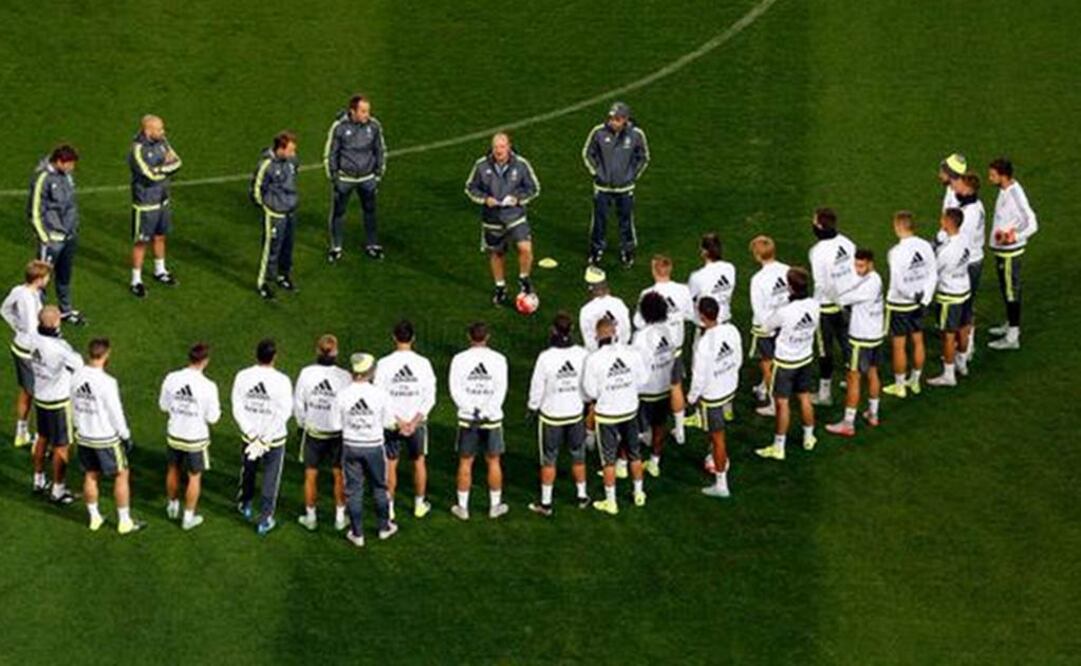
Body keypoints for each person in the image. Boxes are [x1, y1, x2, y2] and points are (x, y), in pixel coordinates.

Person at [71, 338, 143, 534]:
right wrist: (125, 435)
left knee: (90, 475)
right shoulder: (107, 382)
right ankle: (124, 521)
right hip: (105, 437)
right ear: (106, 355)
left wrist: (78, 426)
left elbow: (72, 402)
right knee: (122, 474)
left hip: (84, 434)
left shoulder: (76, 376)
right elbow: (115, 411)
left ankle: (94, 517)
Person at [465, 132, 540, 306]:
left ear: (509, 147)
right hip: (492, 218)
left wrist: (518, 198)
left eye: (502, 147)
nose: (499, 151)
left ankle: (524, 279)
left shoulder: (521, 165)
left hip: (515, 215)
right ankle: (500, 287)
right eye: (496, 147)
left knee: (525, 248)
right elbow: (470, 188)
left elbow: (533, 188)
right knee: (497, 253)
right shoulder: (481, 166)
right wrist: (485, 199)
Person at [526, 312, 591, 516]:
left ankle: (546, 503)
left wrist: (532, 406)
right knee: (578, 456)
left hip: (551, 416)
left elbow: (537, 386)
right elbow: (587, 384)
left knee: (549, 459)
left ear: (553, 331)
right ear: (571, 330)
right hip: (575, 413)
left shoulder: (546, 357)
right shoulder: (582, 354)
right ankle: (582, 496)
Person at [583, 318, 649, 514]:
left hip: (607, 415)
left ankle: (611, 502)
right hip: (629, 410)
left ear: (597, 336)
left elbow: (590, 391)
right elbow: (643, 380)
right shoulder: (631, 353)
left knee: (608, 460)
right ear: (616, 333)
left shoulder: (594, 359)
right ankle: (639, 494)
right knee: (635, 454)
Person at [334, 353, 398, 547]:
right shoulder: (380, 394)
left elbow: (335, 424)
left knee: (354, 491)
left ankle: (357, 534)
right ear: (370, 372)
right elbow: (388, 423)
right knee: (380, 487)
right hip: (374, 447)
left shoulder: (342, 394)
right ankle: (384, 528)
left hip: (351, 446)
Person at [755, 268, 819, 461]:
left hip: (784, 363)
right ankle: (809, 438)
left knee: (782, 404)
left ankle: (779, 446)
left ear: (790, 288)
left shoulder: (785, 311)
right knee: (805, 398)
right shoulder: (815, 304)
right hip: (805, 357)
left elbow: (765, 327)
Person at [375, 320, 437, 520]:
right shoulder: (423, 363)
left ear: (394, 337)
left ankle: (390, 507)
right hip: (416, 423)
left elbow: (379, 396)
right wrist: (414, 422)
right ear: (413, 338)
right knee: (419, 461)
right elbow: (430, 396)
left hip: (391, 423)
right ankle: (419, 505)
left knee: (390, 464)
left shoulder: (384, 364)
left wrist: (399, 422)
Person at [448, 322, 509, 520]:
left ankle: (463, 507)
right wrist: (486, 412)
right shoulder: (499, 359)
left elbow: (454, 389)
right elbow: (500, 390)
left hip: (468, 419)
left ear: (469, 336)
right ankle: (495, 505)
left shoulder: (459, 359)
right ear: (487, 336)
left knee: (466, 462)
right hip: (492, 419)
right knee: (494, 461)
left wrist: (472, 411)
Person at [233, 338, 294, 534]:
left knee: (248, 471)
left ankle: (245, 504)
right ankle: (265, 519)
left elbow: (237, 407)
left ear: (256, 355)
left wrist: (252, 434)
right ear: (274, 357)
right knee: (270, 477)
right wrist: (265, 438)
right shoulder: (282, 380)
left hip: (250, 438)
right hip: (273, 440)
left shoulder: (243, 376)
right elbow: (284, 413)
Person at [633, 255, 694, 443]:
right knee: (676, 387)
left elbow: (638, 322)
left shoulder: (648, 293)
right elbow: (690, 315)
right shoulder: (683, 290)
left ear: (654, 270)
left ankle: (647, 433)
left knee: (649, 393)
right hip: (675, 348)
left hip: (654, 350)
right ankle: (680, 430)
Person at [160, 342, 221, 531]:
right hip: (195, 437)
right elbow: (213, 418)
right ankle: (188, 517)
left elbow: (163, 405)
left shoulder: (172, 378)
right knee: (194, 476)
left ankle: (172, 505)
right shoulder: (208, 386)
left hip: (175, 433)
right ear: (205, 361)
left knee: (173, 468)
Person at [294, 335, 351, 532]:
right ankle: (339, 518)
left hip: (314, 432)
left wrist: (304, 422)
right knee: (339, 475)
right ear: (335, 352)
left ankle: (311, 518)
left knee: (310, 474)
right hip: (337, 433)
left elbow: (299, 403)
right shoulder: (345, 376)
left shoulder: (306, 373)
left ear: (318, 351)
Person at [582, 101, 650, 267]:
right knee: (599, 220)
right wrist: (596, 173)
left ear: (625, 119)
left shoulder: (636, 135)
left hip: (625, 188)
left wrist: (632, 176)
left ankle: (627, 250)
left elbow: (643, 157)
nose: (613, 121)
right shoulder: (598, 132)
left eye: (617, 119)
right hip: (602, 187)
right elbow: (587, 153)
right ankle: (596, 250)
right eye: (611, 118)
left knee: (626, 220)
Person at [687, 296, 742, 497]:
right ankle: (714, 457)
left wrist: (692, 398)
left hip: (712, 395)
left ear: (701, 316)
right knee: (715, 435)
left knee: (718, 437)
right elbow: (738, 357)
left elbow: (699, 376)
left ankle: (721, 484)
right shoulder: (732, 330)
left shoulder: (703, 344)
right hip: (729, 387)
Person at [26, 305, 83, 500]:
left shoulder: (33, 338)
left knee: (42, 437)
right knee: (61, 446)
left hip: (40, 397)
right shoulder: (60, 348)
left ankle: (38, 479)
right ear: (55, 323)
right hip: (58, 402)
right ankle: (58, 490)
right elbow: (79, 365)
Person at [826, 250, 884, 436]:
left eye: (861, 266)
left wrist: (829, 289)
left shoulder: (867, 286)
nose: (857, 269)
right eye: (856, 265)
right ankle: (873, 414)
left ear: (870, 264)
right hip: (876, 334)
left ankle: (848, 423)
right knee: (873, 373)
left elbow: (842, 299)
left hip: (861, 338)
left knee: (853, 378)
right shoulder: (875, 278)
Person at [323, 94, 388, 262]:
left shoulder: (374, 126)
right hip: (345, 179)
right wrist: (334, 176)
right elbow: (331, 153)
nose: (367, 114)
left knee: (370, 211)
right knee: (339, 212)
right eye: (363, 111)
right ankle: (336, 247)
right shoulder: (339, 127)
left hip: (367, 178)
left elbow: (380, 150)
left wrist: (378, 174)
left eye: (368, 111)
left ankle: (372, 245)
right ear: (353, 111)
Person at [28, 145, 85, 325]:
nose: (72, 168)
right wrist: (44, 237)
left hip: (68, 236)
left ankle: (65, 310)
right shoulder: (42, 179)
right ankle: (40, 315)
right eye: (69, 164)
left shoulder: (66, 176)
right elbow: (34, 210)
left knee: (64, 275)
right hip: (51, 239)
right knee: (41, 279)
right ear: (59, 162)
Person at [882, 211, 937, 398]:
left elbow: (898, 283)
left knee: (899, 345)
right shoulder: (925, 246)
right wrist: (925, 299)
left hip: (900, 304)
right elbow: (933, 273)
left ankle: (899, 386)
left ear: (898, 227)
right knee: (918, 340)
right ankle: (915, 380)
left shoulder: (896, 252)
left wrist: (912, 296)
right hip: (919, 303)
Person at [987, 157, 1039, 351]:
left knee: (1011, 292)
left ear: (1003, 176)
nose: (989, 178)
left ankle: (1013, 337)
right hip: (1002, 252)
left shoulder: (1016, 194)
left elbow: (1033, 223)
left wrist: (1015, 237)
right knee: (1006, 290)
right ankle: (1010, 324)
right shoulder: (1005, 190)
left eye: (992, 175)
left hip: (1010, 253)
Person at [128, 114, 182, 297]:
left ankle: (160, 271)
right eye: (159, 129)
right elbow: (148, 175)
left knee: (160, 236)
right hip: (145, 203)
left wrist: (160, 169)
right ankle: (136, 280)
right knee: (141, 241)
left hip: (163, 199)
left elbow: (178, 162)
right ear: (147, 130)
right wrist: (164, 169)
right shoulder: (137, 149)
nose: (163, 132)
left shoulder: (162, 141)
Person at [808, 207, 857, 406]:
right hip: (848, 303)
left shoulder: (817, 252)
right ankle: (852, 380)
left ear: (819, 225)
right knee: (847, 345)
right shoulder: (847, 243)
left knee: (825, 351)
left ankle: (824, 394)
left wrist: (840, 302)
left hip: (827, 307)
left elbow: (823, 284)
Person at [632, 292, 680, 478]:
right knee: (660, 425)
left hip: (645, 390)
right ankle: (654, 462)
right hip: (663, 387)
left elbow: (637, 364)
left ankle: (624, 463)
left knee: (633, 429)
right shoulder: (668, 332)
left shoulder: (641, 336)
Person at [2, 260, 50, 447]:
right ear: (39, 279)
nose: (48, 279)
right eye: (46, 277)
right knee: (42, 394)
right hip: (30, 353)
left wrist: (16, 328)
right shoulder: (30, 300)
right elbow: (32, 330)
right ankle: (40, 438)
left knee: (26, 390)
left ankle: (21, 431)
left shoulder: (19, 290)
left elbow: (4, 309)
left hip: (18, 346)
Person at [250, 131, 299, 300]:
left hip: (290, 211)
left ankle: (283, 276)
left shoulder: (291, 161)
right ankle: (263, 282)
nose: (294, 154)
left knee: (288, 246)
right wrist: (268, 207)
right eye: (291, 150)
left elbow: (293, 177)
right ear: (281, 149)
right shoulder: (266, 165)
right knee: (271, 249)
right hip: (275, 213)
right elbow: (256, 189)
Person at [945, 173, 986, 368]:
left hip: (969, 263)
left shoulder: (969, 213)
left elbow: (962, 242)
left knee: (965, 308)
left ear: (968, 188)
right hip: (974, 260)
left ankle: (965, 349)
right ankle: (963, 348)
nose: (956, 189)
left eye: (959, 186)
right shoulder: (975, 206)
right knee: (966, 307)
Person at [927, 209, 971, 387]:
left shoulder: (947, 250)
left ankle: (948, 374)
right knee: (963, 328)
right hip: (964, 290)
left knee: (948, 335)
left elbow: (934, 271)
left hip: (949, 294)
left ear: (947, 222)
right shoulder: (964, 239)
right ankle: (962, 362)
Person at [747, 236, 789, 414]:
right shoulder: (787, 269)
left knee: (767, 363)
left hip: (767, 326)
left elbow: (758, 309)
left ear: (757, 256)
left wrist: (767, 328)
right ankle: (764, 388)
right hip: (785, 321)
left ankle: (773, 402)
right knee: (778, 360)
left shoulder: (758, 279)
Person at [688, 233, 737, 327]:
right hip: (725, 322)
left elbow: (689, 300)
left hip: (707, 325)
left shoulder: (697, 276)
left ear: (704, 252)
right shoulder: (730, 268)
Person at [579, 266, 631, 351]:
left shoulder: (586, 311)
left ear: (590, 288)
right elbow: (627, 332)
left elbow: (588, 340)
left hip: (598, 356)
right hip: (622, 352)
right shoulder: (619, 303)